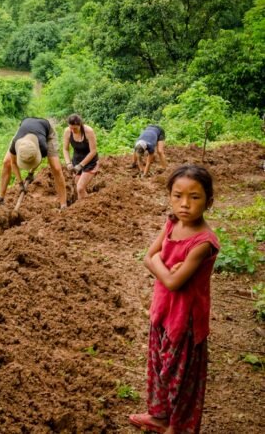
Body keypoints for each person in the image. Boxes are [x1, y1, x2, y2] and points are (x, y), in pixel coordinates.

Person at [130, 165, 220, 434]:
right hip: (163, 312)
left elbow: (171, 281)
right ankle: (159, 416)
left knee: (181, 379)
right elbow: (148, 257)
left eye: (195, 197)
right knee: (158, 367)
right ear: (169, 196)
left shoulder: (204, 242)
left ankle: (178, 428)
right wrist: (161, 264)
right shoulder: (172, 223)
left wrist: (159, 263)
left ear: (209, 201)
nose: (185, 204)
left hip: (186, 321)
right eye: (178, 195)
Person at [0, 117, 67, 209]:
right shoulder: (15, 144)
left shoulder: (42, 146)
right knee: (6, 162)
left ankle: (63, 205)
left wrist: (31, 173)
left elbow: (37, 159)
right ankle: (0, 197)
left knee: (56, 168)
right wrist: (20, 183)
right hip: (23, 133)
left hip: (46, 130)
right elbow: (13, 163)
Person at [62, 114, 99, 201]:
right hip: (76, 161)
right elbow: (65, 149)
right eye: (71, 128)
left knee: (80, 188)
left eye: (75, 128)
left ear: (80, 125)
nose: (73, 130)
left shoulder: (88, 131)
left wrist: (81, 165)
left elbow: (93, 151)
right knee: (78, 187)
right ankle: (81, 208)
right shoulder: (67, 131)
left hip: (90, 162)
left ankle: (91, 205)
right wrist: (68, 163)